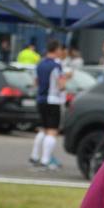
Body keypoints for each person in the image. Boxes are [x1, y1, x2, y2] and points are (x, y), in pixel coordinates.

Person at [29, 40, 67, 171]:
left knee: (43, 129)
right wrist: (65, 81)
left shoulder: (40, 64)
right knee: (52, 131)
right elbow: (61, 85)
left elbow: (35, 82)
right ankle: (45, 161)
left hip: (41, 99)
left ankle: (34, 156)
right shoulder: (56, 65)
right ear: (56, 49)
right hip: (53, 100)